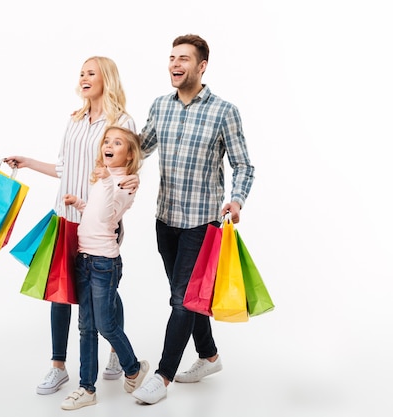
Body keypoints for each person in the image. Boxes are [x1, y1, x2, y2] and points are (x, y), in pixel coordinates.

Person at [131, 34, 255, 405]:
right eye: (172, 57)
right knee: (186, 296)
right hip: (165, 218)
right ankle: (210, 356)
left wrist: (237, 199)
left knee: (182, 300)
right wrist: (110, 142)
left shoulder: (223, 111)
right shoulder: (160, 106)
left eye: (184, 58)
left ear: (201, 66)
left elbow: (244, 164)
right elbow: (139, 148)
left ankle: (162, 376)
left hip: (202, 221)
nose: (175, 64)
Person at [5, 56, 139, 396]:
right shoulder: (76, 120)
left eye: (90, 73)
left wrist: (131, 185)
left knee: (105, 291)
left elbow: (129, 165)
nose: (83, 78)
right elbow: (65, 168)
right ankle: (58, 366)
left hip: (98, 221)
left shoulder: (121, 121)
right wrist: (29, 162)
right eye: (81, 73)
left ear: (106, 78)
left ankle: (114, 353)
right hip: (66, 218)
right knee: (59, 291)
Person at [60, 126, 149, 410]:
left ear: (130, 154)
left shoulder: (126, 184)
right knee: (86, 327)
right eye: (107, 141)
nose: (109, 145)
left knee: (106, 325)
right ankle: (87, 388)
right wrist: (80, 204)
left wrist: (107, 182)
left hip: (104, 263)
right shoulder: (104, 179)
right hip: (84, 259)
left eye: (118, 142)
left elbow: (112, 212)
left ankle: (133, 368)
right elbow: (97, 214)